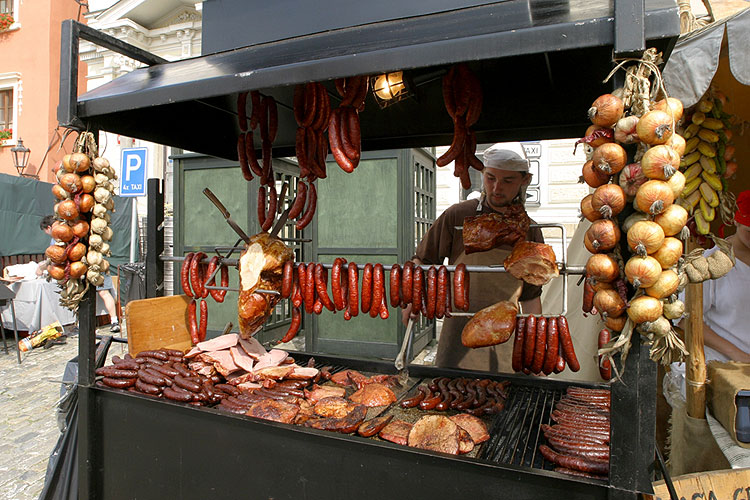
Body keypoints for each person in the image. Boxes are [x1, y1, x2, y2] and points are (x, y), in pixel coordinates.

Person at [402, 143, 544, 372]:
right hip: (458, 336)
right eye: (490, 178)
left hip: (505, 342)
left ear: (524, 181)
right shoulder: (458, 215)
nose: (497, 187)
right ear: (483, 174)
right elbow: (424, 260)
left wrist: (535, 340)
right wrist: (412, 297)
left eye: (508, 181)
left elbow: (530, 295)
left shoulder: (530, 230)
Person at [685, 190, 750, 362]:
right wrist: (739, 355)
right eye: (749, 231)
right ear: (736, 221)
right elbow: (685, 320)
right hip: (721, 366)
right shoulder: (709, 262)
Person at [36, 215, 121, 333]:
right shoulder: (75, 225)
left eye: (46, 231)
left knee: (80, 294)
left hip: (78, 267)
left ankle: (84, 325)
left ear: (49, 227)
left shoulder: (57, 236)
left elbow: (57, 257)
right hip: (95, 259)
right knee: (104, 292)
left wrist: (42, 267)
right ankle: (114, 321)